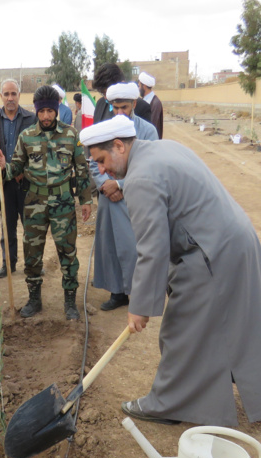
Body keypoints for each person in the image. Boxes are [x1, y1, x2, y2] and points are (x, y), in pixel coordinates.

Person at [80, 115, 261, 427]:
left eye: (102, 160)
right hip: (236, 241)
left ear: (119, 146)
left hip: (212, 252)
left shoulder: (141, 178)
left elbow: (152, 248)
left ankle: (167, 404)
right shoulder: (163, 148)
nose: (101, 170)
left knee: (180, 329)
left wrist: (141, 307)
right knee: (240, 325)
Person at [0, 85, 92, 320]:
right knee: (32, 252)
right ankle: (34, 298)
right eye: (42, 111)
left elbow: (81, 170)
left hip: (64, 202)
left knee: (67, 252)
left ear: (56, 109)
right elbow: (16, 166)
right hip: (34, 202)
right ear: (36, 112)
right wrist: (3, 167)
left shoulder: (70, 135)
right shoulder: (26, 136)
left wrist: (86, 200)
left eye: (50, 111)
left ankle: (70, 302)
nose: (46, 116)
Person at [90, 83, 157, 312]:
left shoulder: (147, 130)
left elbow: (151, 167)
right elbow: (93, 161)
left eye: (124, 107)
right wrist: (105, 185)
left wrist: (119, 184)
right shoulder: (104, 129)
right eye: (115, 107)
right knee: (110, 247)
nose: (119, 113)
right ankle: (116, 292)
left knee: (135, 249)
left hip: (136, 200)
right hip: (109, 199)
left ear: (134, 105)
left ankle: (138, 296)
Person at [0, 79, 37, 278]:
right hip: (4, 183)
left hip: (27, 182)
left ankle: (33, 264)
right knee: (7, 227)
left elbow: (37, 151)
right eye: (6, 94)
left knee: (31, 226)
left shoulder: (31, 119)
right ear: (1, 97)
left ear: (19, 95)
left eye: (14, 93)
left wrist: (21, 170)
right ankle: (8, 263)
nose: (10, 98)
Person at [138, 71, 164, 138]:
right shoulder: (144, 101)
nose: (138, 88)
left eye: (139, 85)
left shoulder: (155, 103)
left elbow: (151, 126)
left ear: (144, 86)